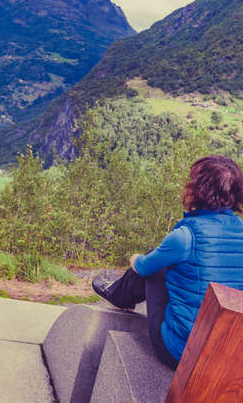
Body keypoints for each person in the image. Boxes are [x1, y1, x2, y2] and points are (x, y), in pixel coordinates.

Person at [92, 155, 243, 370]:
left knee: (155, 264)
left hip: (180, 351)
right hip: (224, 352)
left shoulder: (185, 235)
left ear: (198, 190)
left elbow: (144, 267)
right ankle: (119, 292)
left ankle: (119, 295)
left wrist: (134, 258)